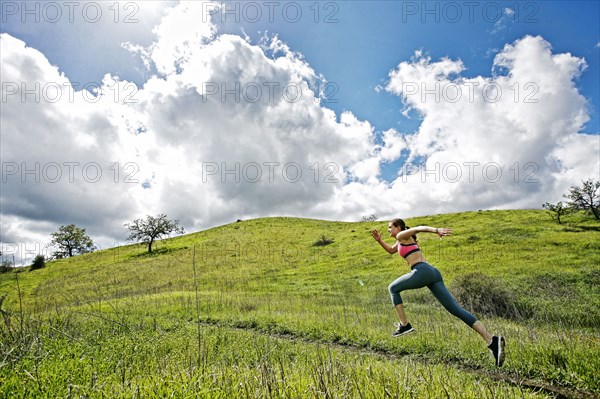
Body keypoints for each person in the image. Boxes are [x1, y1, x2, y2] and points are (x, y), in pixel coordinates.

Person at [371, 218, 506, 367]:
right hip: (433, 274)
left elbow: (418, 228)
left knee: (393, 288)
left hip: (422, 271)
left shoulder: (401, 235)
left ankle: (405, 325)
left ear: (398, 227)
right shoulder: (401, 241)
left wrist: (436, 230)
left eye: (390, 227)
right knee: (455, 310)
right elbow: (391, 250)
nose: (389, 230)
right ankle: (492, 340)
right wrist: (379, 241)